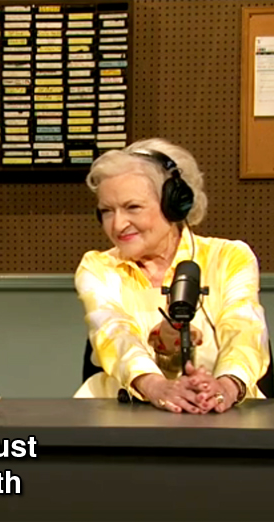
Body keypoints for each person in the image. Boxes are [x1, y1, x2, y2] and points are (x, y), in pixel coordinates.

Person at [75, 138, 269, 413]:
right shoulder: (98, 266)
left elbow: (244, 330)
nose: (117, 225)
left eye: (133, 207)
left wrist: (225, 387)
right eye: (107, 211)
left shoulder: (230, 257)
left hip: (224, 409)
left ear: (175, 204)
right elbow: (114, 333)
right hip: (125, 412)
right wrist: (155, 386)